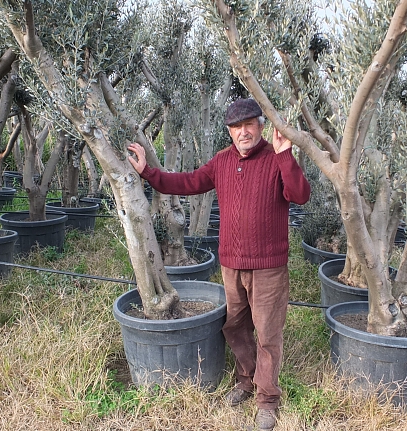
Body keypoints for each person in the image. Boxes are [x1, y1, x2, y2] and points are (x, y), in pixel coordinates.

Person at [128, 98, 310, 430]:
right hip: (231, 264)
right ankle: (245, 379)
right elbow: (186, 183)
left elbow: (300, 195)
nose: (244, 132)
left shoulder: (276, 158)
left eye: (249, 125)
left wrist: (286, 155)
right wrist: (147, 172)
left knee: (268, 333)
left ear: (260, 125)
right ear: (229, 131)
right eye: (237, 127)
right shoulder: (222, 162)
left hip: (268, 266)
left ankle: (267, 399)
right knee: (235, 325)